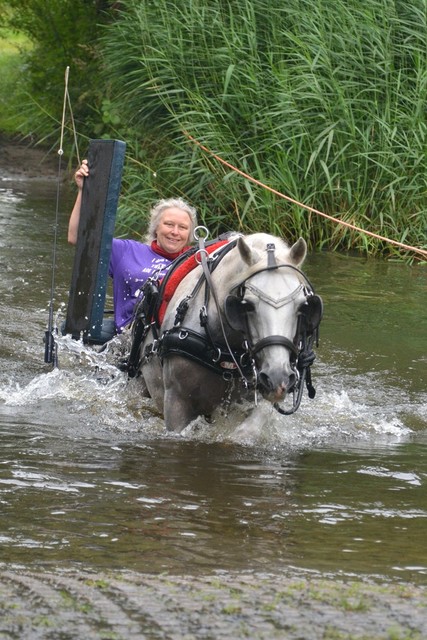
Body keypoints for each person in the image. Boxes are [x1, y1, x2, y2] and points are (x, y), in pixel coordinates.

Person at [68, 159, 198, 335]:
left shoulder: (197, 262)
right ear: (156, 228)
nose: (175, 232)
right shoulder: (126, 251)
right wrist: (83, 191)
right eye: (168, 224)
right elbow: (77, 237)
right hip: (131, 337)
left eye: (182, 228)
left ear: (190, 234)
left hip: (177, 337)